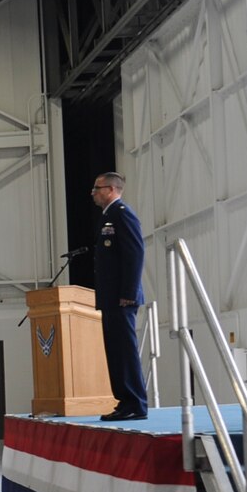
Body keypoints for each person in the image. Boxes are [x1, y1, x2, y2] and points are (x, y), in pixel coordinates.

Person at [92, 171, 148, 420]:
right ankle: (125, 400)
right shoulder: (109, 216)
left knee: (124, 351)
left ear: (111, 190)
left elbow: (135, 254)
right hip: (111, 297)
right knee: (115, 351)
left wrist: (128, 292)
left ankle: (135, 403)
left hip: (122, 298)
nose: (93, 193)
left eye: (97, 188)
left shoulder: (123, 214)